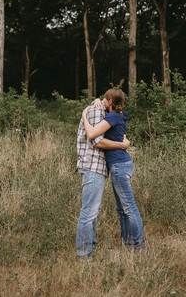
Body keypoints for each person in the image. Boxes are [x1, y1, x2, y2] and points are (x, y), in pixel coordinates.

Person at [81, 87, 145, 254]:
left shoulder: (112, 117)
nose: (102, 99)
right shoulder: (120, 115)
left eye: (105, 98)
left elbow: (92, 134)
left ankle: (139, 247)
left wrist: (83, 116)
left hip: (119, 166)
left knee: (129, 207)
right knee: (123, 209)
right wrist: (96, 101)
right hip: (122, 164)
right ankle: (127, 244)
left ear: (110, 102)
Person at [75, 94, 131, 260]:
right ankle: (84, 254)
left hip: (95, 167)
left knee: (92, 210)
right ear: (110, 101)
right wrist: (122, 145)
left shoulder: (102, 110)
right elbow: (96, 140)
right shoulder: (96, 111)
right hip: (92, 166)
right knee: (89, 211)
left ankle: (89, 248)